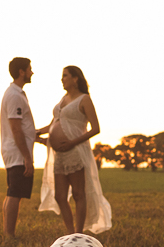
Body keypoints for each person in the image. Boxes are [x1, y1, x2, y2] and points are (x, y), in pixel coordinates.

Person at [38, 66, 112, 235]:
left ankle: (78, 233)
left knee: (79, 193)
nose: (62, 79)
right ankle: (70, 232)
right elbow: (52, 125)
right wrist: (35, 132)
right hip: (60, 155)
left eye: (65, 76)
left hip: (76, 152)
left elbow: (95, 128)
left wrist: (72, 142)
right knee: (60, 196)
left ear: (75, 78)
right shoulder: (63, 99)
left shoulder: (84, 99)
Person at [0, 57, 37, 239]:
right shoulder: (14, 95)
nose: (32, 72)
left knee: (13, 192)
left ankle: (9, 233)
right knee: (14, 193)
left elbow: (25, 129)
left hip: (15, 151)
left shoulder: (17, 93)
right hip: (17, 152)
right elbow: (16, 128)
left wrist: (42, 139)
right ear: (21, 72)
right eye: (29, 69)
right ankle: (9, 235)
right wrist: (27, 157)